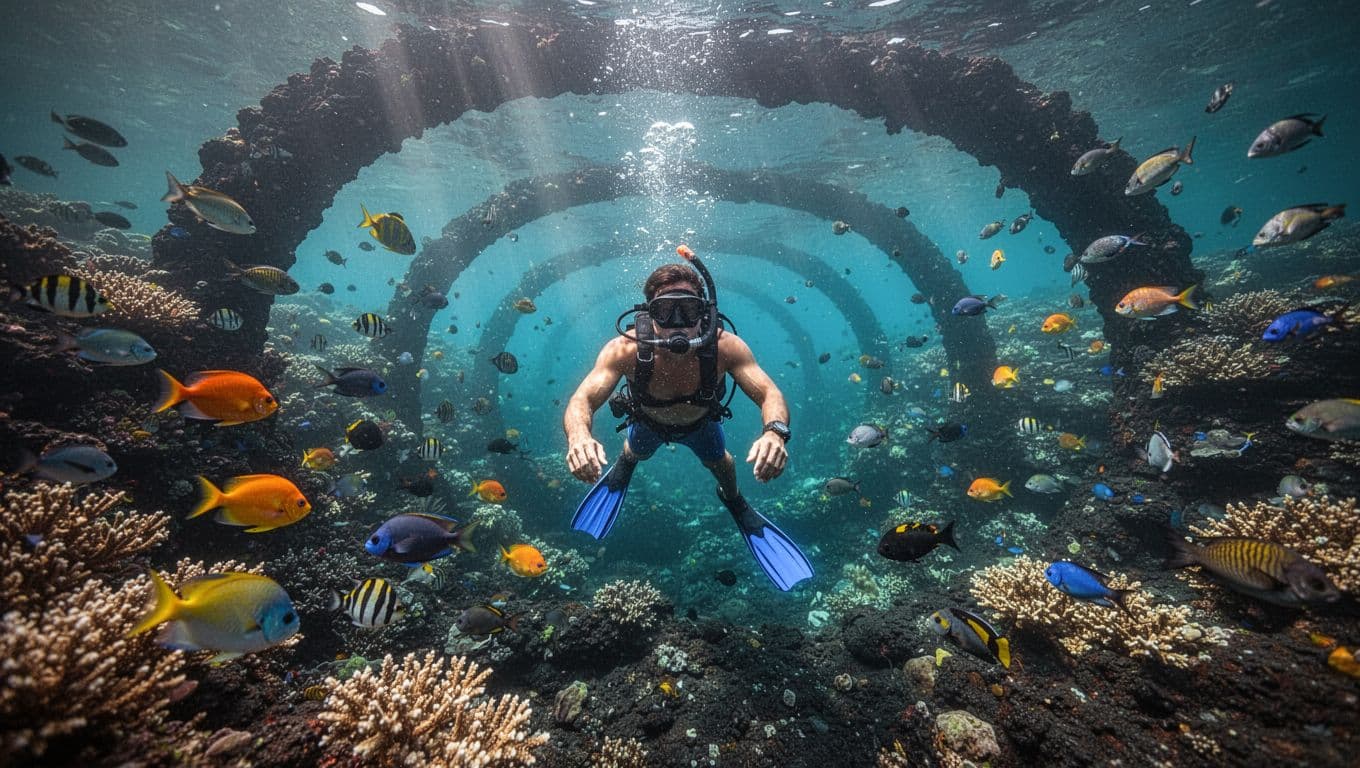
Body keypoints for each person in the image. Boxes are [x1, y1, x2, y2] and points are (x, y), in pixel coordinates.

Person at [563, 245, 813, 591]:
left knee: (722, 465)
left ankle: (735, 502)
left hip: (701, 425)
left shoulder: (725, 347)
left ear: (705, 312)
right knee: (637, 451)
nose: (677, 324)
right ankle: (625, 464)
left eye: (689, 310)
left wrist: (774, 432)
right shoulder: (625, 349)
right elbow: (583, 398)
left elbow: (769, 393)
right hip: (647, 423)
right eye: (666, 311)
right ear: (649, 314)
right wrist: (578, 436)